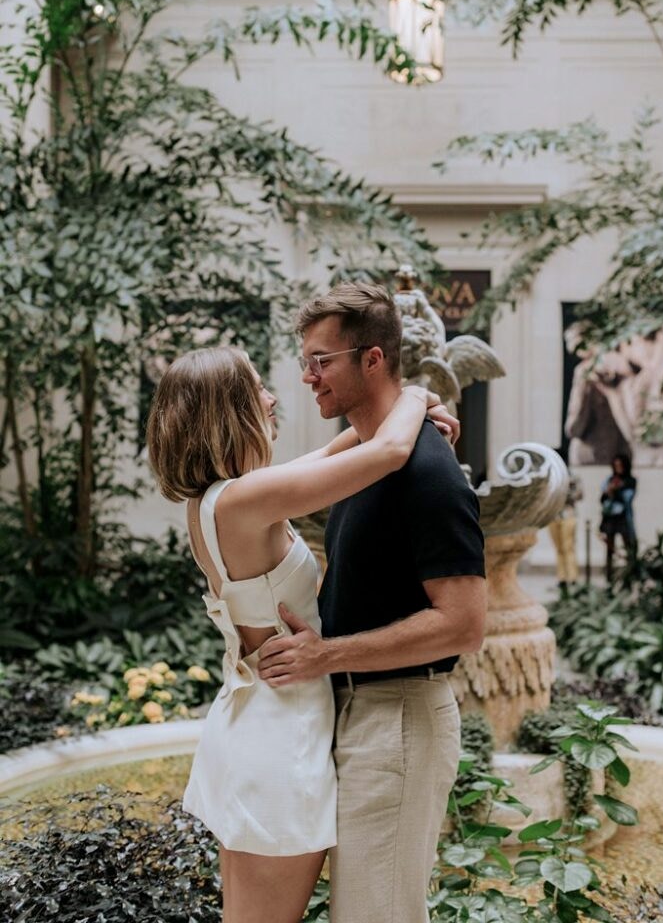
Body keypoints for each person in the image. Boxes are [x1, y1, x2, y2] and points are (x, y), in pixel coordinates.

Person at [145, 344, 458, 923]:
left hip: (258, 722)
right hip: (280, 737)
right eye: (257, 388)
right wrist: (413, 396)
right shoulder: (245, 499)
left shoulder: (220, 500)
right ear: (228, 409)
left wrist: (392, 417)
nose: (270, 398)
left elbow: (332, 454)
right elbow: (387, 453)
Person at [257, 282, 487, 923]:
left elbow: (465, 625)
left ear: (373, 360)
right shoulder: (367, 457)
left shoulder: (428, 470)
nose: (308, 376)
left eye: (321, 360)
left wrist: (325, 654)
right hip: (361, 716)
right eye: (306, 360)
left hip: (400, 723)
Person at [599, 453, 637, 582]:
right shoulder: (609, 480)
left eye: (620, 465)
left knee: (628, 545)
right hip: (610, 517)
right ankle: (609, 575)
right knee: (610, 547)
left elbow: (627, 499)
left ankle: (631, 573)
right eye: (616, 465)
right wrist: (609, 491)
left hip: (623, 518)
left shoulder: (629, 481)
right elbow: (602, 499)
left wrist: (616, 490)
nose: (618, 468)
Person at [547, 470, 583, 593]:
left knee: (568, 547)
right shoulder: (551, 477)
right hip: (554, 516)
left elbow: (579, 494)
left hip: (568, 514)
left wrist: (563, 493)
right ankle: (562, 578)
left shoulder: (572, 477)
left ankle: (572, 578)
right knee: (558, 548)